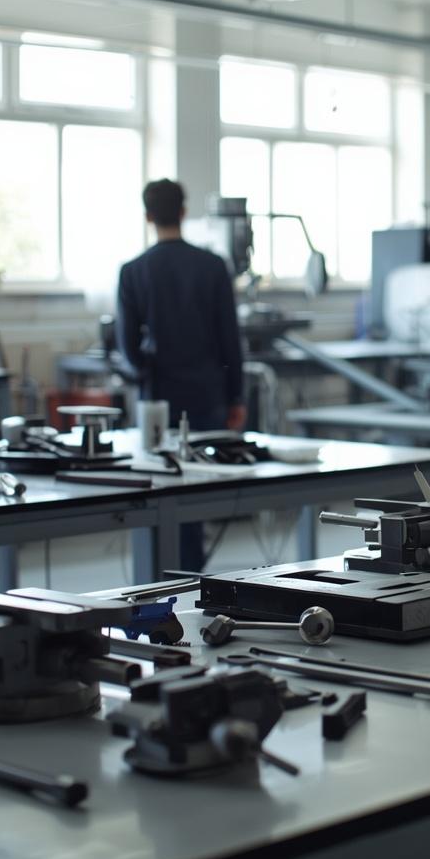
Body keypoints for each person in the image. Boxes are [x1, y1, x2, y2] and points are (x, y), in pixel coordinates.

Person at [117, 179, 246, 571]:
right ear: (184, 212)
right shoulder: (212, 266)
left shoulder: (134, 270)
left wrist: (143, 374)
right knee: (194, 493)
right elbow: (230, 338)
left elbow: (126, 344)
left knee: (157, 487)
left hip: (157, 397)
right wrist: (236, 396)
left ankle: (157, 577)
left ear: (147, 216)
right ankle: (190, 576)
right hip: (206, 394)